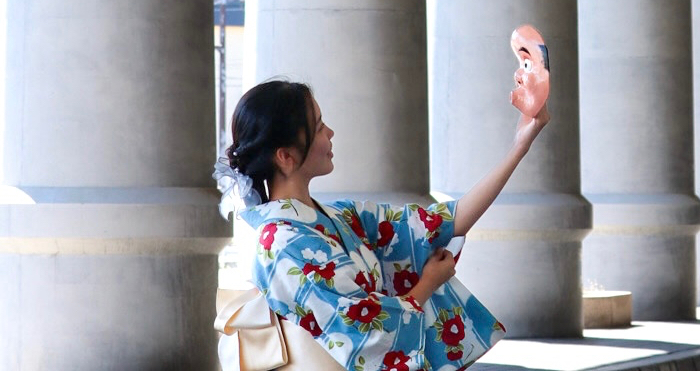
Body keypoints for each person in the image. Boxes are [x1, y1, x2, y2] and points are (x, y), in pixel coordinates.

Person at [219, 79, 549, 370]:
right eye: (318, 127)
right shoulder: (279, 241)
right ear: (285, 156)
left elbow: (442, 222)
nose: (330, 133)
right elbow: (365, 331)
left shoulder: (341, 217)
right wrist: (428, 283)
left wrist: (521, 144)